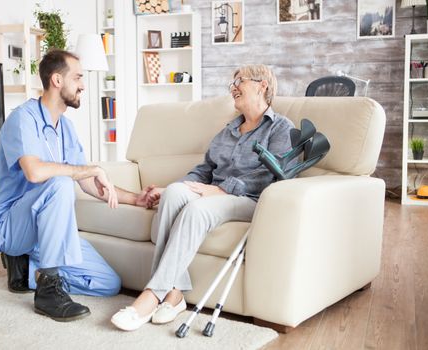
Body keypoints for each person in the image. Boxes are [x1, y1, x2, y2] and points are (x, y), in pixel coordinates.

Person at [111, 64, 295, 331]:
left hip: (250, 199)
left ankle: (151, 296)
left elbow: (274, 175)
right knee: (174, 194)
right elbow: (204, 170)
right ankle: (174, 295)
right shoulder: (227, 131)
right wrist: (172, 187)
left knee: (196, 210)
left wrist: (222, 190)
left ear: (262, 85)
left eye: (239, 81)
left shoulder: (280, 129)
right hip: (214, 194)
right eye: (232, 83)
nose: (233, 88)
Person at [0, 49, 157, 323]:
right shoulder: (22, 119)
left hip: (46, 233)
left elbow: (89, 183)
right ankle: (48, 290)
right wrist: (84, 170)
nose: (83, 85)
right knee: (61, 184)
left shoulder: (65, 127)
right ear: (56, 80)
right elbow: (34, 171)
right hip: (14, 225)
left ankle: (26, 268)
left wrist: (136, 198)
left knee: (106, 283)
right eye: (77, 77)